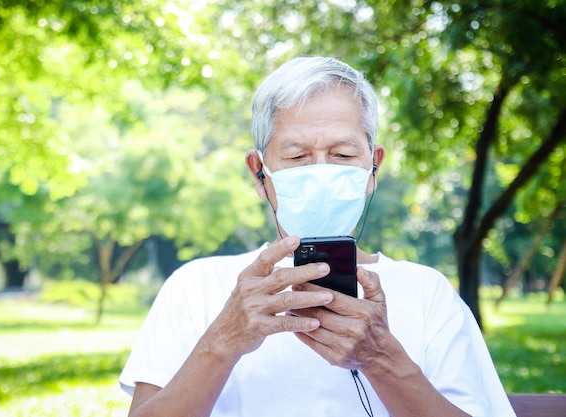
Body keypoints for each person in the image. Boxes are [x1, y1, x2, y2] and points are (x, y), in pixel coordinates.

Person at [119, 56, 516, 417]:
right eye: (297, 156)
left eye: (343, 155)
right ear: (259, 172)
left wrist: (382, 358)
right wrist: (223, 341)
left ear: (372, 167)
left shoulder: (428, 292)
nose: (322, 171)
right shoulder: (196, 287)